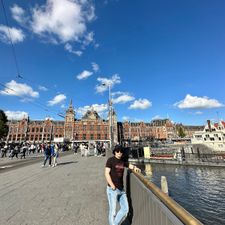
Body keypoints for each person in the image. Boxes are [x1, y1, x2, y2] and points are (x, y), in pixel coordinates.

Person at [105, 145, 141, 225]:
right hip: (112, 189)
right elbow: (106, 173)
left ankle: (115, 224)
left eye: (121, 151)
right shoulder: (110, 160)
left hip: (121, 189)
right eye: (117, 151)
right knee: (113, 211)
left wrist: (135, 168)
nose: (119, 153)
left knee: (125, 209)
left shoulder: (122, 161)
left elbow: (129, 165)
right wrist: (112, 185)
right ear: (114, 152)